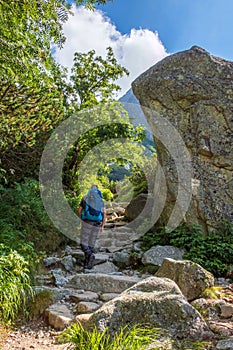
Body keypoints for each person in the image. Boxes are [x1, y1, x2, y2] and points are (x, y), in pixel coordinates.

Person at [78, 184, 106, 270]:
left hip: (87, 222)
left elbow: (79, 210)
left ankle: (89, 258)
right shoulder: (101, 201)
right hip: (97, 223)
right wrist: (102, 225)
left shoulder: (85, 198)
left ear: (90, 189)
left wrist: (81, 219)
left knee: (84, 242)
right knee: (91, 242)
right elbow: (105, 213)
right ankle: (88, 262)